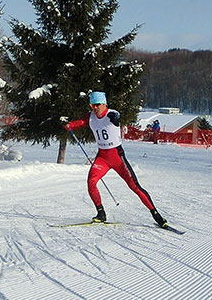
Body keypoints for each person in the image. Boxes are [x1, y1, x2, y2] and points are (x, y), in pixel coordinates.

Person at [64, 91, 168, 228]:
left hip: (117, 158)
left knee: (135, 187)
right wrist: (69, 125)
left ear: (104, 104)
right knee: (91, 181)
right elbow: (80, 123)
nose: (95, 108)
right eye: (92, 105)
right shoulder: (90, 117)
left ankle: (157, 215)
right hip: (102, 158)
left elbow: (116, 117)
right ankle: (101, 214)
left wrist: (115, 117)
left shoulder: (111, 114)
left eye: (97, 105)